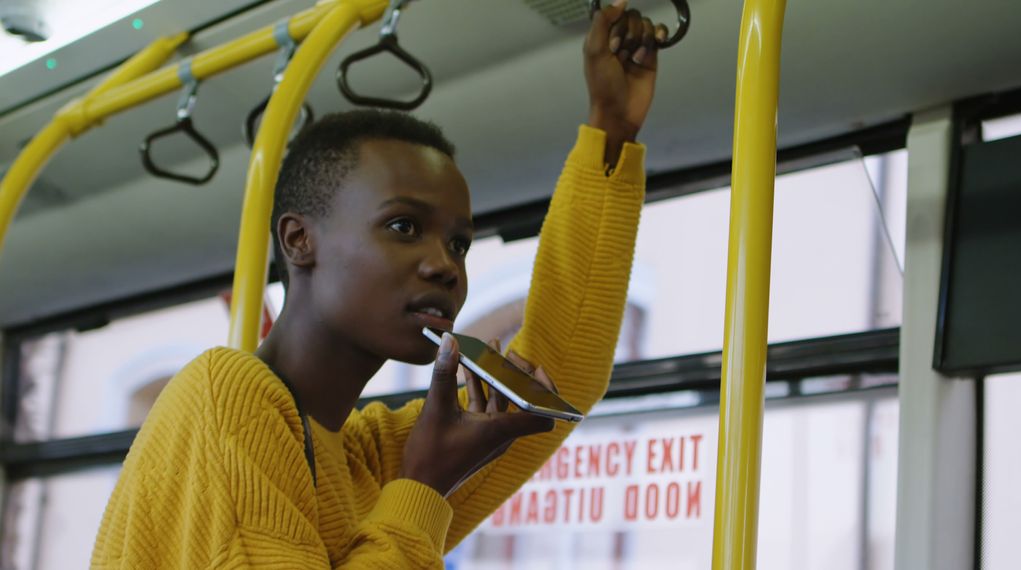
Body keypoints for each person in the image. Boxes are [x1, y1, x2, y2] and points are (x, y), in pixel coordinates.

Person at [92, 1, 665, 567]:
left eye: (458, 243)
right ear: (299, 241)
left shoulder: (362, 460)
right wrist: (423, 489)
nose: (445, 265)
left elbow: (553, 380)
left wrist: (610, 131)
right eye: (403, 226)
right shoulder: (226, 394)